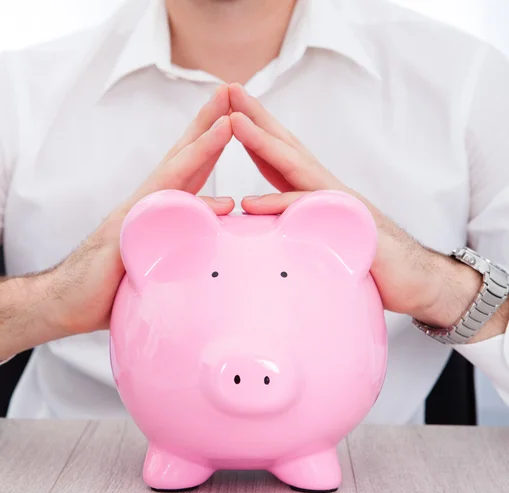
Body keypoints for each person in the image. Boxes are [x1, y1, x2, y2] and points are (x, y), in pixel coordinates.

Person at [0, 0, 508, 422]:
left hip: (366, 492)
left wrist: (439, 287)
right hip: (71, 488)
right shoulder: (19, 92)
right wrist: (49, 302)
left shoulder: (470, 82)